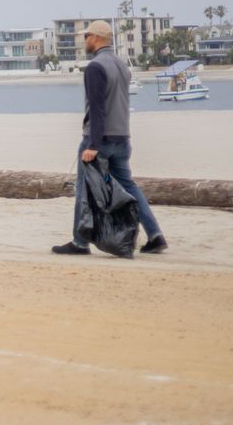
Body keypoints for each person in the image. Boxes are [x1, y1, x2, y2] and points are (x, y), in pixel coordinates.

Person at [53, 20, 169, 256]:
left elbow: (97, 108)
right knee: (129, 187)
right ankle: (155, 235)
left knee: (83, 190)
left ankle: (79, 242)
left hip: (100, 139)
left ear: (95, 38)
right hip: (122, 137)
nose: (84, 40)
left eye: (86, 36)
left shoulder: (96, 66)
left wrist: (93, 145)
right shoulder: (121, 65)